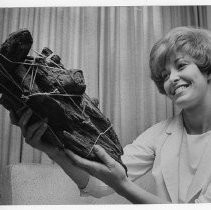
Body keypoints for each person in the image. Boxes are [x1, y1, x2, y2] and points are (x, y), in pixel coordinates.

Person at [9, 26, 211, 204]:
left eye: (181, 65)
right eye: (165, 75)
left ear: (207, 70)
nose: (172, 79)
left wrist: (123, 186)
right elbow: (99, 185)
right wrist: (54, 152)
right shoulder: (160, 134)